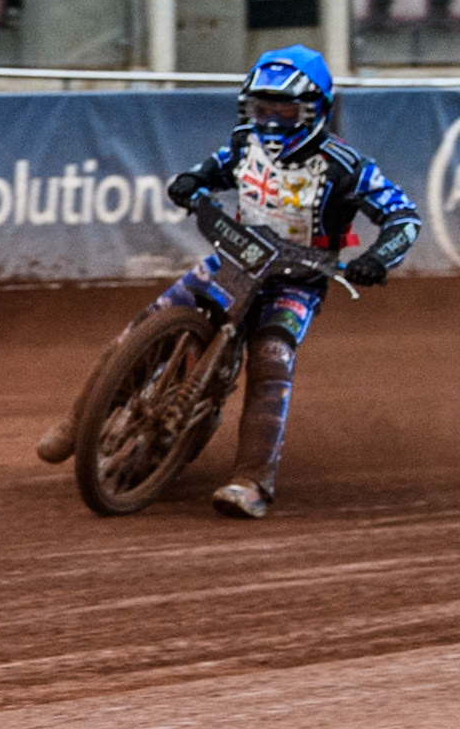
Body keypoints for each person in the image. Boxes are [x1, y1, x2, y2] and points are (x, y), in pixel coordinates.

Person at [35, 45, 420, 519]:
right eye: (262, 108)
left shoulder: (348, 167)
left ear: (315, 109)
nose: (272, 120)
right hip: (233, 258)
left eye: (284, 109)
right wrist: (191, 182)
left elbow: (403, 216)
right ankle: (78, 423)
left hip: (297, 279)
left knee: (270, 357)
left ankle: (253, 480)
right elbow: (212, 169)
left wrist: (379, 257)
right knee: (143, 328)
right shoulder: (244, 142)